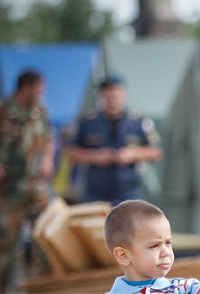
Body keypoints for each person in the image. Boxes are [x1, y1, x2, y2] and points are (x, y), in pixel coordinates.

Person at [0, 70, 55, 294]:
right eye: (39, 89)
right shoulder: (4, 111)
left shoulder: (40, 111)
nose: (41, 94)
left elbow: (49, 138)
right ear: (26, 88)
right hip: (9, 190)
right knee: (6, 245)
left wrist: (48, 159)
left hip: (36, 188)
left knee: (43, 240)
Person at [66, 76, 162, 205]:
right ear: (101, 95)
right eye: (108, 93)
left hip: (128, 194)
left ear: (123, 94)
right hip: (95, 194)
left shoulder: (139, 122)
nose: (112, 97)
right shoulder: (87, 122)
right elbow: (71, 151)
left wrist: (133, 153)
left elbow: (156, 151)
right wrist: (94, 156)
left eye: (116, 92)